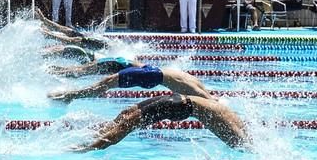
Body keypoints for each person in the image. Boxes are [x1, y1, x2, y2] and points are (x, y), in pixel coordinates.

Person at [69, 94, 248, 151]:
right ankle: (89, 147)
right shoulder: (240, 134)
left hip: (179, 99)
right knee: (127, 126)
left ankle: (96, 133)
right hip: (180, 106)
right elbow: (242, 145)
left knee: (128, 115)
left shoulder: (231, 116)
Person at [47, 58, 214, 101]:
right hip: (150, 75)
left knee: (104, 84)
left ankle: (70, 95)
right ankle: (69, 96)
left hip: (151, 72)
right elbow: (210, 100)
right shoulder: (198, 91)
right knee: (104, 85)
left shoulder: (196, 82)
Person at [36, 8, 110, 51]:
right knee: (69, 31)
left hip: (101, 46)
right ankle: (45, 20)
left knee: (77, 40)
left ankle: (49, 35)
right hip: (101, 43)